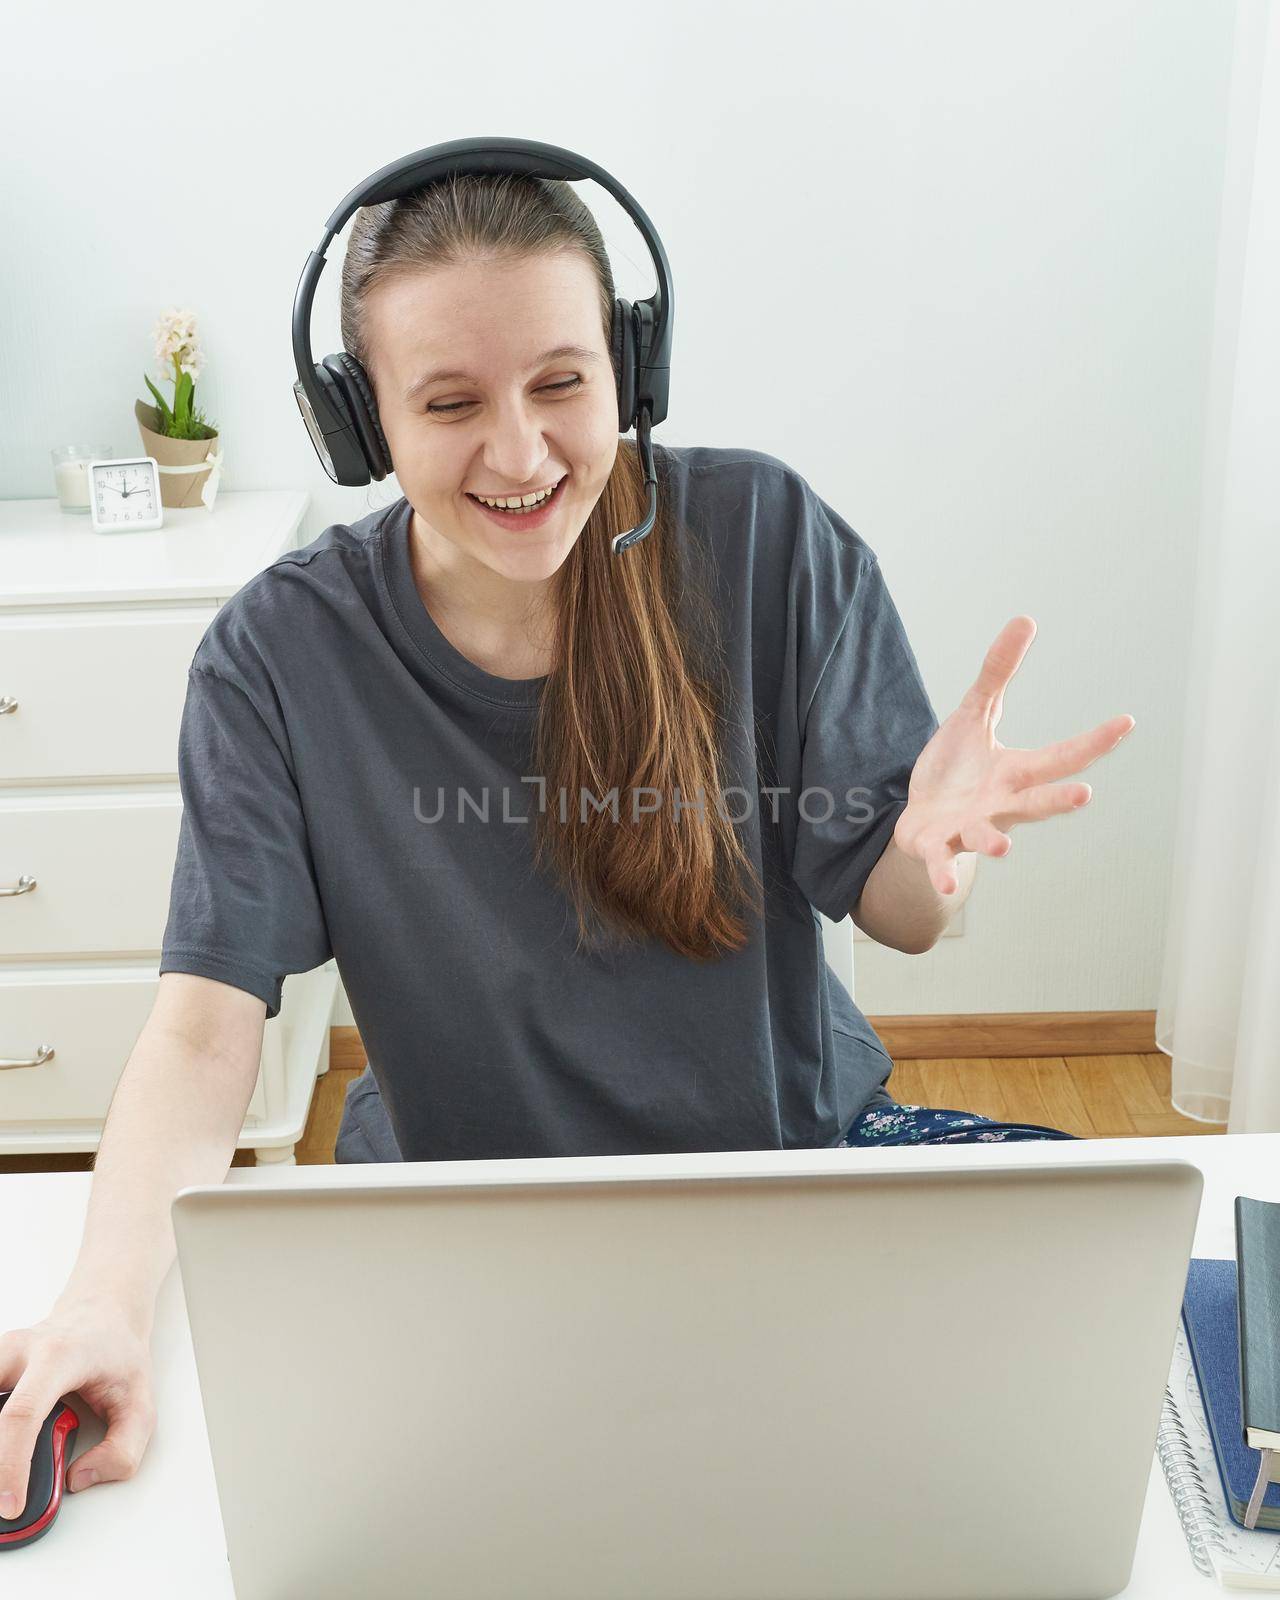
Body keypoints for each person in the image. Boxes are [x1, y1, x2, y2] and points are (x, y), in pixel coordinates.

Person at [0, 171, 1132, 1519]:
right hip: (465, 1239)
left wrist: (931, 859)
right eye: (450, 402)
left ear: (630, 370)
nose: (522, 453)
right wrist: (105, 1306)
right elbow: (202, 1027)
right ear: (363, 423)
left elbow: (895, 912)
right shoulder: (280, 653)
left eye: (560, 383)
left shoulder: (763, 539)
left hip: (789, 1195)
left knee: (1096, 1348)